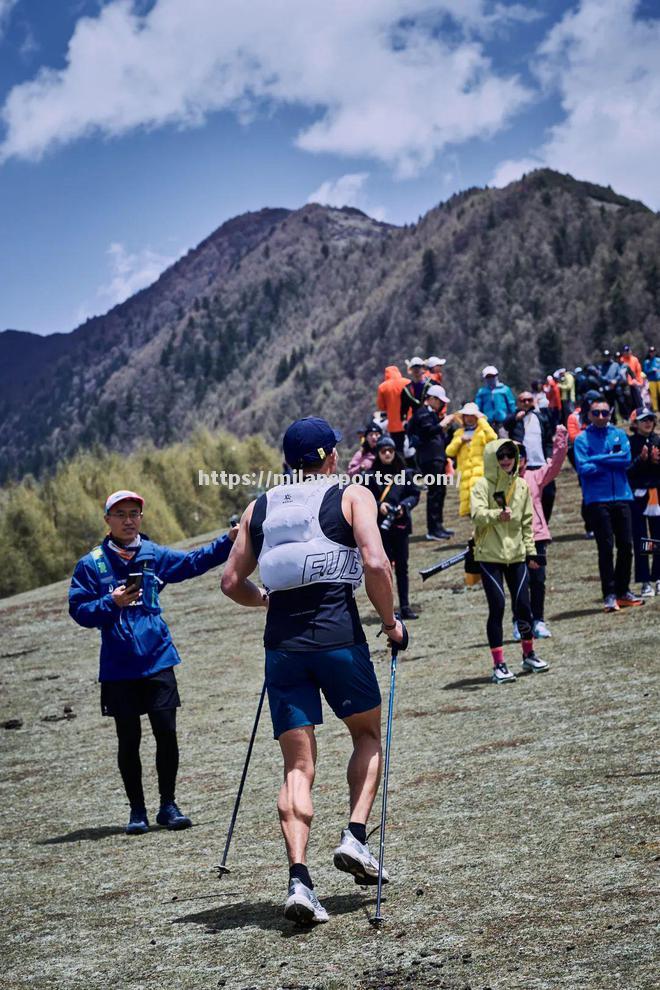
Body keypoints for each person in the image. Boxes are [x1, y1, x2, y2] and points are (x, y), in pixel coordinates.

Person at [220, 417, 406, 925]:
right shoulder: (353, 495)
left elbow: (231, 581)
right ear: (329, 458)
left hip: (281, 645)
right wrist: (391, 623)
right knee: (367, 734)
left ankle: (299, 881)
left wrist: (266, 601)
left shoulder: (259, 506)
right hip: (338, 637)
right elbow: (375, 562)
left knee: (297, 767)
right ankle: (354, 835)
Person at [69, 490, 236, 834]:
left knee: (166, 732)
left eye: (134, 514)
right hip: (118, 668)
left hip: (159, 659)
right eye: (121, 514)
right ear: (108, 521)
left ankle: (168, 806)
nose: (129, 520)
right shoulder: (92, 563)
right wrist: (110, 603)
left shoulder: (152, 553)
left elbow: (192, 562)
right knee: (128, 739)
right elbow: (79, 611)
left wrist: (229, 541)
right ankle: (137, 812)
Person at [470, 440, 549, 684]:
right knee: (497, 607)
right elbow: (476, 515)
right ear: (492, 458)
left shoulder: (522, 486)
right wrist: (496, 515)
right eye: (501, 455)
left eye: (510, 455)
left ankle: (529, 654)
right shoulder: (481, 485)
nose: (506, 460)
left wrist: (531, 552)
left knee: (524, 606)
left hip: (516, 555)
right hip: (488, 557)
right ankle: (499, 664)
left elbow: (527, 524)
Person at [573, 399, 643, 611]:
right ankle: (609, 594)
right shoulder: (582, 439)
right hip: (597, 500)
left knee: (626, 545)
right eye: (597, 413)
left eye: (605, 412)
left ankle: (623, 591)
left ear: (610, 413)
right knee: (605, 547)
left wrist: (598, 459)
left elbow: (625, 459)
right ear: (590, 415)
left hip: (622, 496)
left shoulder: (619, 434)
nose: (601, 416)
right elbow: (584, 468)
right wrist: (610, 459)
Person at [514, 426, 568, 640]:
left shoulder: (534, 477)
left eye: (519, 456)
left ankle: (539, 621)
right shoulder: (498, 483)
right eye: (509, 455)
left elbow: (555, 466)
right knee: (519, 584)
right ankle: (520, 623)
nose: (515, 460)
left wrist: (561, 441)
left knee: (538, 581)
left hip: (536, 537)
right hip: (512, 540)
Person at [365, 436, 421, 619]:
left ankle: (405, 606)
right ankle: (388, 610)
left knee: (402, 568)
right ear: (378, 453)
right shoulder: (370, 476)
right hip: (381, 529)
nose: (387, 454)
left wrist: (404, 507)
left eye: (390, 450)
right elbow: (363, 498)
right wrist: (378, 505)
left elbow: (414, 494)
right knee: (384, 569)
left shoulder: (404, 474)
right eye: (383, 451)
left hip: (401, 526)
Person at [408, 383, 454, 540]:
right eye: (439, 400)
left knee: (440, 491)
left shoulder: (431, 414)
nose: (442, 404)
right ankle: (432, 530)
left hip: (437, 457)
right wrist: (442, 424)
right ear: (432, 399)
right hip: (429, 459)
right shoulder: (422, 414)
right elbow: (427, 432)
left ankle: (439, 526)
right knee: (434, 492)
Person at [504, 391, 556, 523]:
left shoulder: (541, 417)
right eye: (523, 401)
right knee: (524, 498)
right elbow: (506, 425)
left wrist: (549, 456)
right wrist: (516, 417)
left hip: (541, 463)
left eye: (529, 400)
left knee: (548, 494)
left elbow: (549, 440)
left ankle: (544, 524)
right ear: (518, 403)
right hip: (523, 467)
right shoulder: (514, 418)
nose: (526, 403)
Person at [627, 408, 660, 596]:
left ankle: (658, 577)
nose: (648, 423)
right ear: (635, 423)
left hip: (656, 493)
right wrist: (642, 459)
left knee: (657, 536)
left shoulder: (658, 441)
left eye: (650, 419)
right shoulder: (630, 443)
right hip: (638, 495)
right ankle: (644, 580)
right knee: (641, 538)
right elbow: (628, 470)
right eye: (643, 420)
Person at [445, 402, 497, 517]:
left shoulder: (482, 432)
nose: (469, 418)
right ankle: (477, 533)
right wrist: (460, 441)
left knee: (482, 505)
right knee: (469, 508)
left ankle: (482, 533)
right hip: (465, 475)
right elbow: (449, 451)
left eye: (472, 416)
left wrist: (482, 422)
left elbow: (493, 438)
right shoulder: (459, 433)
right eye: (466, 416)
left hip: (481, 472)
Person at [376, 365, 410, 454]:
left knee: (398, 451)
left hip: (394, 425)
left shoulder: (382, 387)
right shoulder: (408, 383)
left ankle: (401, 467)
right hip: (409, 421)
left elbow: (381, 406)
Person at [474, 366, 516, 434]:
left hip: (503, 423)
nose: (490, 379)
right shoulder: (482, 391)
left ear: (497, 376)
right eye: (488, 377)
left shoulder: (505, 389)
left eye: (492, 376)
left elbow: (511, 405)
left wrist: (512, 418)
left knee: (503, 441)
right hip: (487, 423)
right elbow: (478, 407)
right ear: (485, 378)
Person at [400, 357, 431, 421]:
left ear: (423, 368)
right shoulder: (407, 389)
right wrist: (404, 421)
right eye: (414, 368)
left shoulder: (430, 386)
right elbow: (404, 408)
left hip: (430, 419)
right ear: (411, 370)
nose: (416, 370)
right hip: (416, 420)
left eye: (418, 367)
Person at [643, 345, 660, 412]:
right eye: (651, 351)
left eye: (653, 351)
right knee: (653, 395)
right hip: (651, 380)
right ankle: (655, 409)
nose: (652, 353)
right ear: (649, 353)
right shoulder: (647, 362)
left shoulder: (658, 360)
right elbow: (645, 371)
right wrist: (651, 370)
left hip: (659, 379)